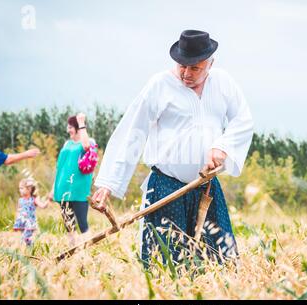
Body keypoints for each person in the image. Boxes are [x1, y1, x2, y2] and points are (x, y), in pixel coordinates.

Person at [92, 30, 254, 265]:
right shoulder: (160, 85)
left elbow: (243, 119)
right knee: (166, 262)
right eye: (181, 66)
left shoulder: (223, 83)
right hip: (166, 188)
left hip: (206, 186)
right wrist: (108, 183)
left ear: (210, 64)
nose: (186, 73)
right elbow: (133, 132)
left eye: (195, 68)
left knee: (221, 261)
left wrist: (223, 147)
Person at [49, 113, 97, 245]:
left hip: (79, 189)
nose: (68, 130)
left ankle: (87, 250)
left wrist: (81, 123)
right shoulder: (67, 144)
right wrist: (53, 188)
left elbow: (86, 146)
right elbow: (61, 168)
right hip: (63, 187)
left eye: (70, 127)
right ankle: (73, 251)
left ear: (77, 128)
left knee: (82, 222)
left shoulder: (88, 141)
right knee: (68, 224)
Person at [13, 178, 49, 246]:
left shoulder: (34, 199)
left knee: (26, 237)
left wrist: (47, 201)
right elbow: (18, 210)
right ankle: (29, 248)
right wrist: (17, 219)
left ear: (29, 189)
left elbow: (42, 206)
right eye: (19, 188)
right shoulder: (20, 200)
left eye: (22, 188)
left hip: (30, 221)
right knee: (24, 237)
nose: (20, 190)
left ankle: (31, 247)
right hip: (22, 221)